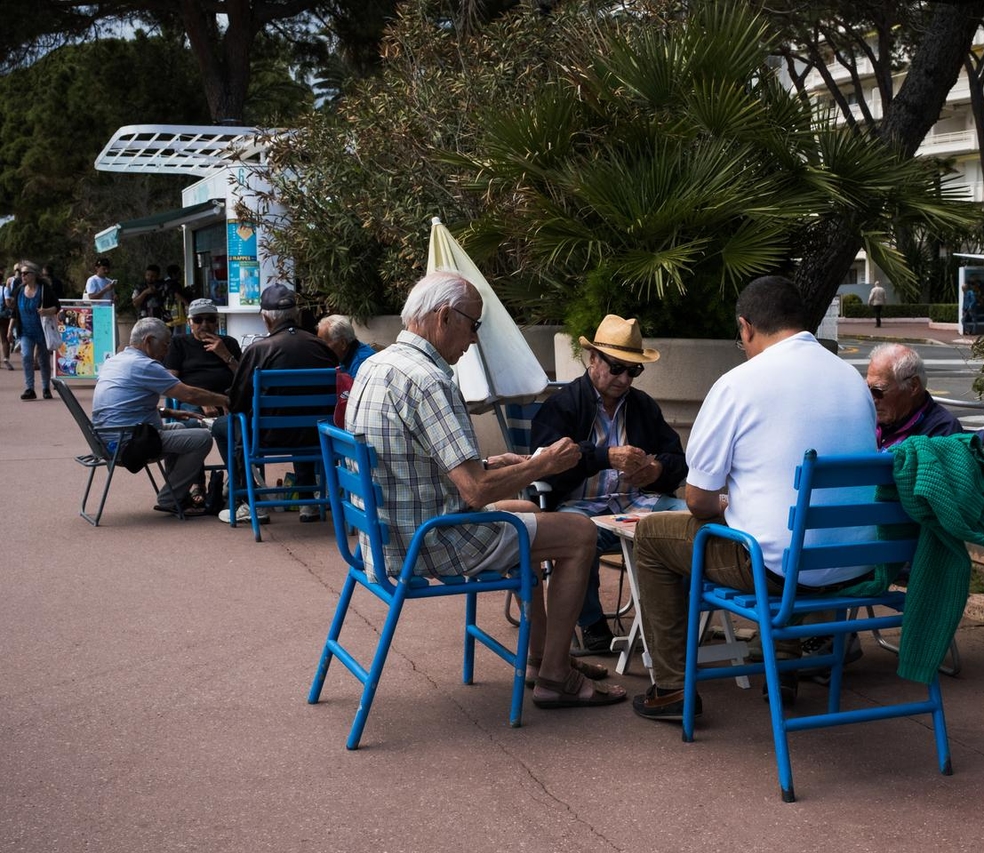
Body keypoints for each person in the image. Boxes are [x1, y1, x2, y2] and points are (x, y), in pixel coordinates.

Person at [346, 270, 627, 709]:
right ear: (443, 318)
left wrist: (501, 464)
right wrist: (544, 463)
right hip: (429, 542)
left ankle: (541, 659)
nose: (474, 339)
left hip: (381, 536)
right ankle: (555, 675)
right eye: (473, 325)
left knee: (523, 511)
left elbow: (420, 460)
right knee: (579, 533)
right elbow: (475, 492)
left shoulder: (375, 365)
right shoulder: (429, 380)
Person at [630, 275, 878, 720]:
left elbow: (698, 500)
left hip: (780, 572)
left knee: (652, 538)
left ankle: (670, 689)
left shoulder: (738, 384)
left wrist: (728, 505)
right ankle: (781, 671)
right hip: (853, 564)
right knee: (777, 529)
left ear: (746, 327)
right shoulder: (853, 380)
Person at [531, 314, 688, 654]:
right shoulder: (562, 405)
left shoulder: (643, 405)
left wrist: (657, 470)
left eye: (633, 370)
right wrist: (605, 457)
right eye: (617, 367)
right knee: (576, 532)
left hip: (638, 503)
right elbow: (545, 469)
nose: (624, 378)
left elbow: (680, 460)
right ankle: (591, 622)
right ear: (593, 359)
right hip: (580, 505)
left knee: (692, 521)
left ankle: (679, 620)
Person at [211, 283, 339, 525]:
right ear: (297, 315)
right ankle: (306, 500)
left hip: (268, 436)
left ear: (265, 318)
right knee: (304, 417)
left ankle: (249, 504)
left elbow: (237, 403)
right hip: (319, 434)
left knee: (222, 425)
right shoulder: (321, 346)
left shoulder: (259, 350)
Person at [91, 318, 228, 516]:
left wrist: (168, 412)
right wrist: (225, 400)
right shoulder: (144, 365)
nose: (166, 350)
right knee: (203, 438)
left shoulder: (115, 360)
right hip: (129, 442)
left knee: (184, 429)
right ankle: (171, 498)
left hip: (110, 437)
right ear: (148, 341)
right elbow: (188, 394)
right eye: (165, 345)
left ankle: (176, 495)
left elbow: (124, 404)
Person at [866, 342, 964, 450]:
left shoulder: (942, 429)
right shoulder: (870, 421)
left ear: (913, 386)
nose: (871, 398)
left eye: (878, 390)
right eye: (867, 388)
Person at [164, 299, 242, 399]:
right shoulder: (179, 343)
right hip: (192, 399)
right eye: (198, 320)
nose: (205, 325)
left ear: (216, 322)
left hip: (227, 398)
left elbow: (243, 377)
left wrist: (225, 355)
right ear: (189, 322)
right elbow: (171, 381)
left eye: (210, 319)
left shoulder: (229, 343)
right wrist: (203, 400)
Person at [12, 262, 58, 400]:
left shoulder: (44, 289)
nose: (23, 275)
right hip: (25, 331)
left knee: (43, 360)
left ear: (34, 275)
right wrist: (10, 329)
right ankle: (30, 388)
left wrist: (46, 311)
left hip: (42, 331)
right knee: (26, 357)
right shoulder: (19, 290)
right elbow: (15, 312)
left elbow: (57, 306)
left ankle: (45, 388)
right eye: (21, 273)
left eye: (26, 273)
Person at [0, 263, 18, 370]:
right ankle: (6, 358)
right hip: (2, 316)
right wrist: (13, 305)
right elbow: (7, 303)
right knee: (4, 339)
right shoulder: (4, 289)